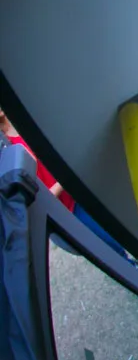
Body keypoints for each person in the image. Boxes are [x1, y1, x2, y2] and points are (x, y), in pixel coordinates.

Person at [1, 108, 127, 259]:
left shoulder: (29, 119)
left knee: (122, 229)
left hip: (81, 189)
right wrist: (65, 180)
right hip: (69, 209)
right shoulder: (6, 150)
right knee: (111, 247)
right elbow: (35, 201)